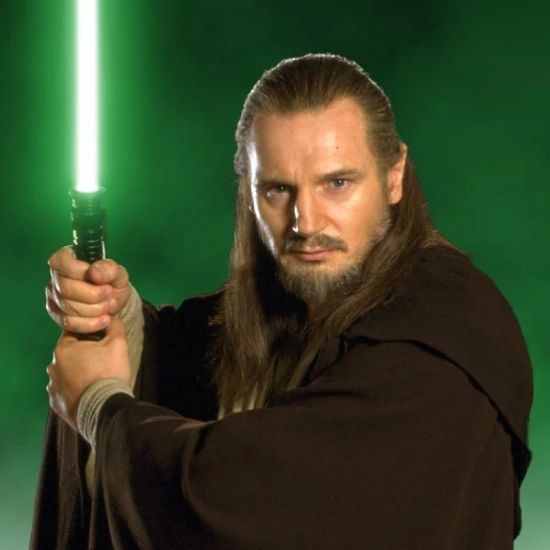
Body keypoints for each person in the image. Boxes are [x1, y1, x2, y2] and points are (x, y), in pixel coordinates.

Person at [32, 54, 533, 549]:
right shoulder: (290, 298)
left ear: (394, 175)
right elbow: (191, 364)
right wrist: (118, 317)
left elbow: (249, 502)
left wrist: (97, 406)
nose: (306, 222)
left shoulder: (438, 344)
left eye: (337, 183)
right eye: (277, 190)